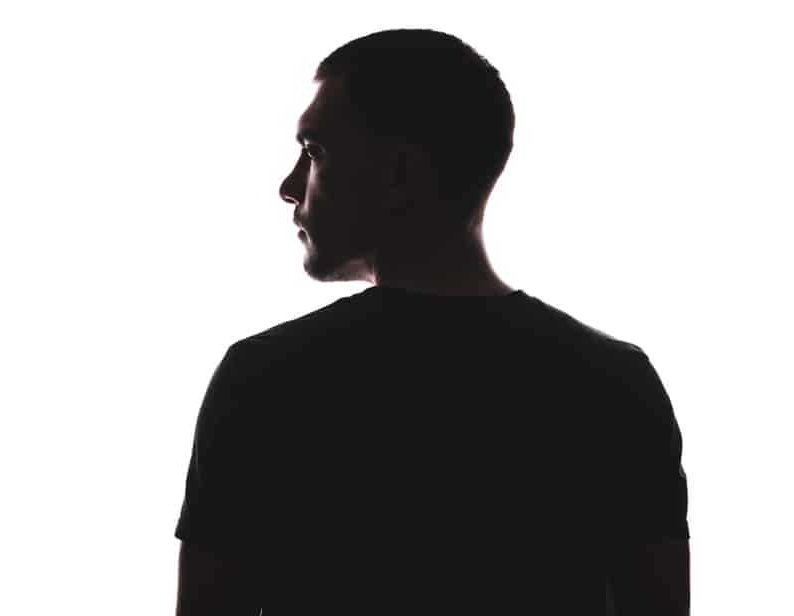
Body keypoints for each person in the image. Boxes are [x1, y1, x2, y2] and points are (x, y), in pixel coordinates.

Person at [173, 28, 690, 615]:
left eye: (314, 152)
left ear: (399, 172)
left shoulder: (263, 379)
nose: (289, 187)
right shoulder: (617, 383)